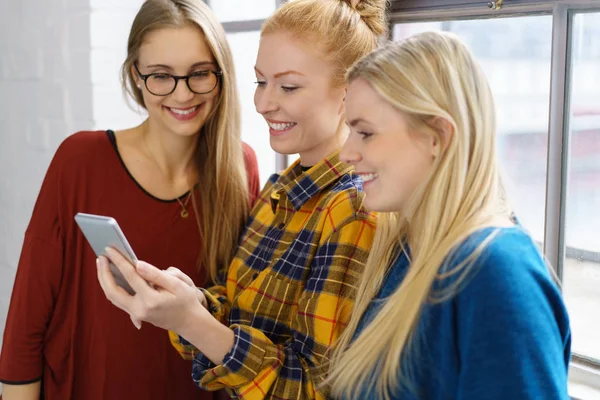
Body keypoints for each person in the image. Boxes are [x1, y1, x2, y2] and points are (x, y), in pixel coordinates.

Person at [96, 0, 386, 398]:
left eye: (287, 86)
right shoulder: (278, 189)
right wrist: (189, 300)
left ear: (350, 93)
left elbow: (314, 389)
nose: (264, 103)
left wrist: (191, 321)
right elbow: (235, 310)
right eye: (259, 82)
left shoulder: (352, 210)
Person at [0, 0, 260, 399]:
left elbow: (241, 315)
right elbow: (27, 318)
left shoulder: (240, 167)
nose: (183, 93)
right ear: (135, 77)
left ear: (221, 76)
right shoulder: (80, 159)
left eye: (199, 74)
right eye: (161, 76)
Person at [326, 31, 572, 400]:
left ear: (437, 136)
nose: (346, 153)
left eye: (365, 132)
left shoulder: (497, 272)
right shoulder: (407, 249)